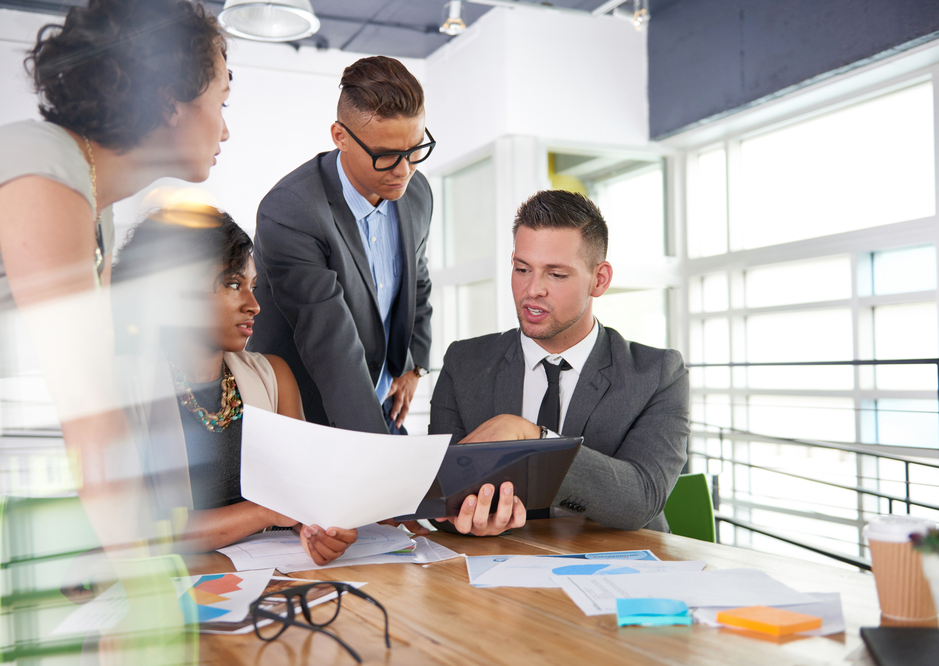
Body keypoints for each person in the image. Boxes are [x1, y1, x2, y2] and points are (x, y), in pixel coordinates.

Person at [0, 0, 230, 553]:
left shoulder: (92, 201)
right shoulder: (45, 174)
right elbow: (88, 410)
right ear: (171, 101)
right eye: (222, 99)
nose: (226, 128)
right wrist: (142, 587)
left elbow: (102, 392)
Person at [429, 190, 691, 532]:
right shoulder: (464, 363)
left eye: (556, 274)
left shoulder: (658, 374)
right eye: (522, 269)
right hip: (497, 564)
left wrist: (532, 437)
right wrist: (464, 520)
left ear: (599, 280)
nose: (532, 289)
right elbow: (439, 497)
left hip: (617, 569)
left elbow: (640, 500)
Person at [111, 207, 357, 563]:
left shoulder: (273, 376)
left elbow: (301, 496)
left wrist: (315, 528)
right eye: (232, 284)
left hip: (272, 579)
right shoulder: (124, 387)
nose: (254, 305)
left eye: (252, 286)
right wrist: (264, 513)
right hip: (171, 592)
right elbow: (139, 526)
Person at [248, 55, 434, 436]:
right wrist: (374, 448)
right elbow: (329, 341)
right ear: (340, 136)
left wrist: (414, 366)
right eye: (386, 156)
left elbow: (418, 284)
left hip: (380, 406)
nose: (405, 170)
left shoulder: (417, 193)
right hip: (304, 415)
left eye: (415, 149)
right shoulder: (292, 210)